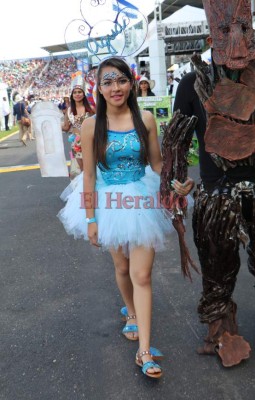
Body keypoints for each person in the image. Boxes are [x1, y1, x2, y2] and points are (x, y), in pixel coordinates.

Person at [58, 57, 192, 379]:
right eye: (107, 82)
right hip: (108, 202)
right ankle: (130, 311)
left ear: (131, 83)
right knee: (122, 267)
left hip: (142, 198)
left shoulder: (145, 118)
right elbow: (89, 176)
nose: (115, 87)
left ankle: (144, 350)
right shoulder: (91, 125)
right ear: (99, 89)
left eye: (120, 80)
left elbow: (158, 165)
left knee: (141, 274)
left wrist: (177, 182)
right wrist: (91, 218)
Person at [173, 0, 255, 368]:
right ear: (212, 37)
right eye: (228, 31)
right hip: (217, 195)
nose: (240, 41)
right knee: (217, 264)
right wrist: (177, 181)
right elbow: (177, 140)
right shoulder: (191, 85)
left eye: (246, 30)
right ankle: (220, 329)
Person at [61, 72, 94, 172]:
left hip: (91, 142)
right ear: (72, 95)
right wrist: (53, 125)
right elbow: (66, 127)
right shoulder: (69, 110)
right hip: (76, 144)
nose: (77, 94)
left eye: (79, 92)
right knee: (81, 171)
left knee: (92, 169)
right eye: (75, 92)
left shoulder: (91, 109)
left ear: (83, 94)